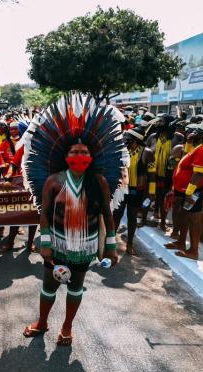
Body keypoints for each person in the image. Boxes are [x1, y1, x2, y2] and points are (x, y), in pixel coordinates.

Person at [22, 95, 122, 346]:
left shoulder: (98, 181)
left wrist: (111, 246)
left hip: (85, 247)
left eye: (84, 152)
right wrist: (44, 243)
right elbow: (44, 213)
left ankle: (67, 327)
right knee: (49, 287)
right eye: (75, 151)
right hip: (57, 244)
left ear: (92, 156)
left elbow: (107, 215)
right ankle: (42, 322)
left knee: (76, 287)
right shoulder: (54, 181)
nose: (80, 155)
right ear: (66, 156)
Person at [113, 126, 155, 255]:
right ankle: (109, 243)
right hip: (121, 188)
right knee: (116, 216)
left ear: (136, 140)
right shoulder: (122, 151)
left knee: (132, 217)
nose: (125, 140)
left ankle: (129, 244)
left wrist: (151, 193)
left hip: (137, 191)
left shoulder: (146, 152)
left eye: (128, 139)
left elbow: (152, 175)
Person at [167, 125, 203, 260]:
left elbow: (199, 174)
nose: (191, 133)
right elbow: (186, 155)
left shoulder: (202, 149)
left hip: (195, 191)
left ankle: (193, 251)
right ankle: (181, 242)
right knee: (184, 215)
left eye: (195, 132)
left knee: (194, 218)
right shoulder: (196, 147)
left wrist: (189, 193)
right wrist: (188, 141)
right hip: (187, 190)